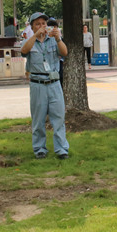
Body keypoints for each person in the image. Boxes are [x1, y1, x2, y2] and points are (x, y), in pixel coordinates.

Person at [20, 12, 69, 159]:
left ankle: (61, 149)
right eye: (38, 24)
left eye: (44, 23)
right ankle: (39, 148)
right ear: (32, 27)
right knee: (38, 119)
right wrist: (35, 36)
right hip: (38, 85)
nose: (42, 26)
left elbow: (64, 52)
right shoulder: (29, 41)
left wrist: (58, 38)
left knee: (58, 118)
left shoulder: (53, 40)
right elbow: (24, 51)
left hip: (54, 83)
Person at [48, 18, 65, 85]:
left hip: (59, 63)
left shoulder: (60, 39)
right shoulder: (45, 40)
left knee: (60, 78)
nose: (53, 30)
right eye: (51, 28)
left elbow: (64, 52)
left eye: (55, 28)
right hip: (49, 65)